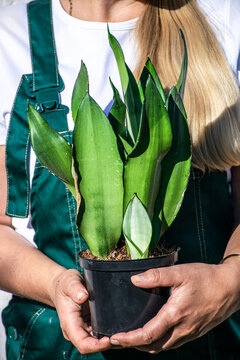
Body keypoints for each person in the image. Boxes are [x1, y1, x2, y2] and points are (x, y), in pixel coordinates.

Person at [0, 0, 240, 359]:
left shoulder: (224, 18)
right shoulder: (11, 34)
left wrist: (230, 282)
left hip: (209, 344)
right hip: (57, 345)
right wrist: (55, 285)